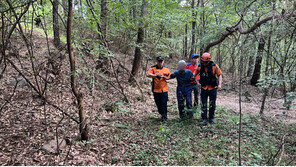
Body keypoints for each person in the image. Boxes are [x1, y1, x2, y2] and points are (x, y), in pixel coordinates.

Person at [194, 52, 222, 125]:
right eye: (203, 61)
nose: (205, 63)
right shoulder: (199, 66)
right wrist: (197, 83)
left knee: (212, 103)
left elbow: (220, 75)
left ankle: (211, 118)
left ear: (209, 60)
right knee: (203, 103)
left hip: (213, 88)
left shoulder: (214, 66)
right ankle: (204, 118)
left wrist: (220, 84)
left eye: (206, 62)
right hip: (204, 88)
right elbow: (194, 75)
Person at [147, 56, 170, 122]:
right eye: (159, 61)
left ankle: (164, 117)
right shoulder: (153, 68)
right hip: (156, 89)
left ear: (163, 61)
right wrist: (156, 76)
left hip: (164, 89)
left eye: (161, 61)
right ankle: (161, 113)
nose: (160, 63)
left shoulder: (166, 69)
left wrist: (166, 77)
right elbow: (147, 74)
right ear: (156, 61)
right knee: (158, 104)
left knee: (164, 103)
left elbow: (169, 76)